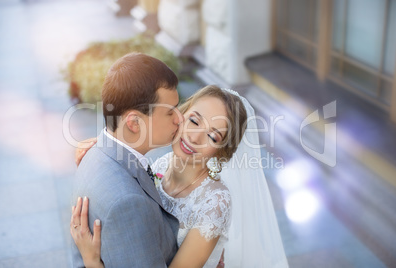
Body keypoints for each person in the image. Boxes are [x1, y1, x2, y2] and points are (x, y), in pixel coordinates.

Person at [72, 85, 289, 267]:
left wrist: (92, 262)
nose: (194, 137)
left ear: (222, 150)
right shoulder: (160, 163)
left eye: (213, 136)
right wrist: (100, 155)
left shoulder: (215, 203)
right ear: (180, 115)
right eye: (194, 121)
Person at [70, 52, 182, 267]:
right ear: (134, 123)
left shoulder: (94, 152)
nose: (180, 118)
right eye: (171, 112)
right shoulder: (128, 204)